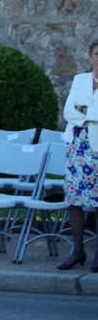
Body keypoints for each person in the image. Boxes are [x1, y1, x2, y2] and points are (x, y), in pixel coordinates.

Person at [58, 39, 98, 271]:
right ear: (90, 56)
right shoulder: (80, 80)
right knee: (74, 201)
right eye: (96, 54)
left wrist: (85, 110)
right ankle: (77, 251)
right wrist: (87, 115)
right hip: (77, 146)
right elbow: (67, 111)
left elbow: (79, 109)